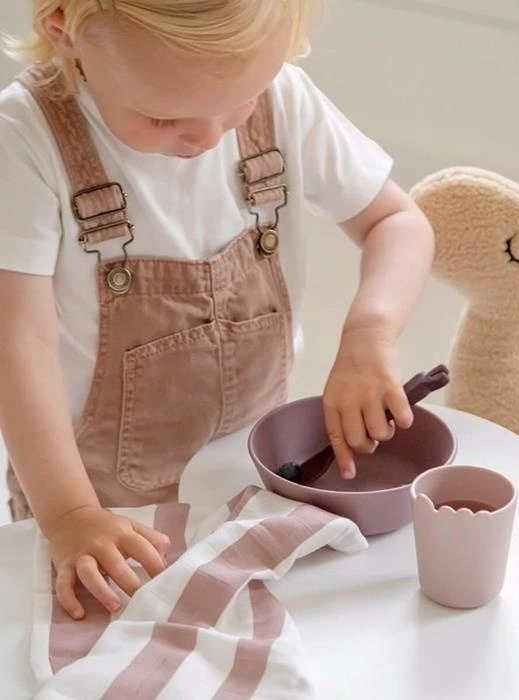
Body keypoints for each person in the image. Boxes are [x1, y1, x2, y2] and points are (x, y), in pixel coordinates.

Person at [0, 0, 433, 619]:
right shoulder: (24, 138)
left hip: (252, 476)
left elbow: (397, 221)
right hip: (93, 502)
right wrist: (69, 516)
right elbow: (19, 346)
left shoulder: (285, 101)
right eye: (162, 116)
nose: (208, 138)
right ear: (64, 28)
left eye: (241, 101)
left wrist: (371, 332)